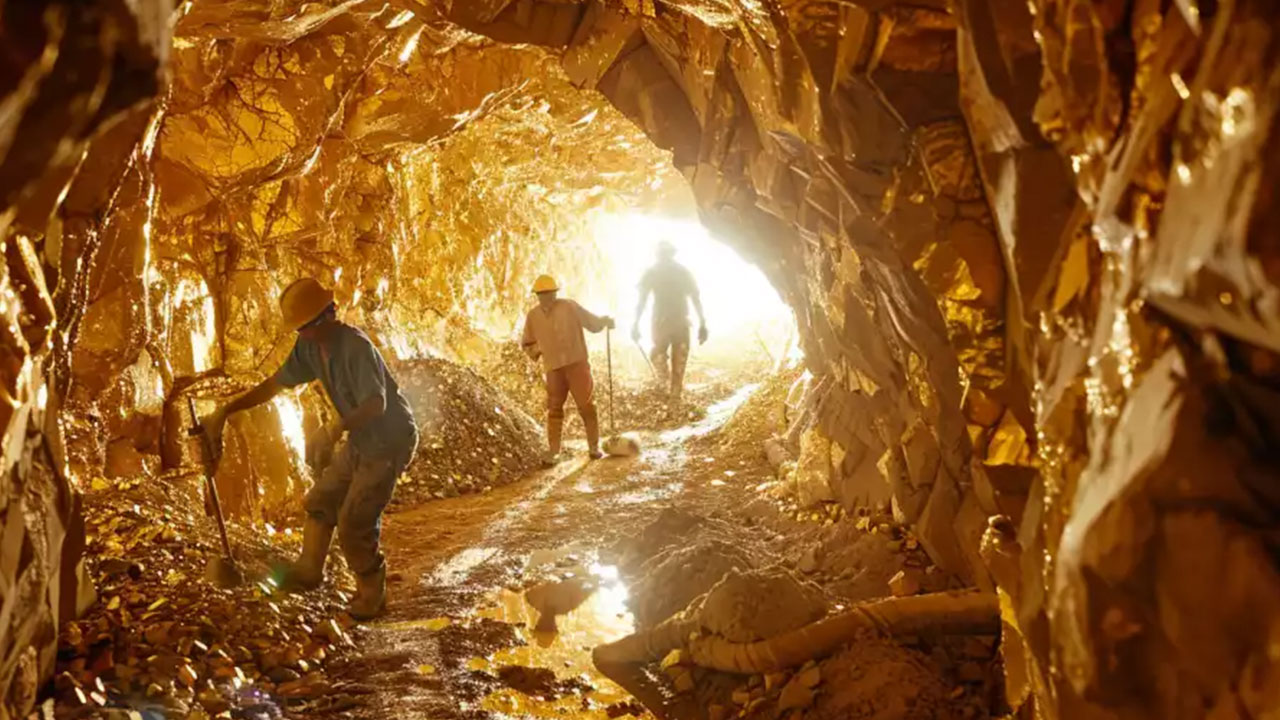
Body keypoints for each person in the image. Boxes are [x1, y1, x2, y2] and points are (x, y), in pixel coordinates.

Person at [201, 278, 418, 621]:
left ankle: (372, 593)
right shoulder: (310, 347)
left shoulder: (354, 347)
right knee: (320, 501)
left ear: (329, 315)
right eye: (300, 329)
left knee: (353, 522)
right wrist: (226, 410)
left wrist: (333, 428)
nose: (304, 334)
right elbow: (275, 383)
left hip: (389, 440)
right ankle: (308, 570)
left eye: (309, 327)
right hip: (361, 440)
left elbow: (376, 403)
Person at [520, 274, 615, 464]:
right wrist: (540, 349)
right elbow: (527, 344)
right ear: (537, 295)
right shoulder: (533, 316)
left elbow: (592, 323)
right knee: (554, 409)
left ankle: (593, 447)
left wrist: (604, 321)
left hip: (576, 363)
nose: (546, 297)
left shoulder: (570, 307)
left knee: (586, 405)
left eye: (549, 293)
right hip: (553, 368)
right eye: (542, 294)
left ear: (555, 293)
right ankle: (554, 452)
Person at [632, 241, 707, 402]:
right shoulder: (682, 272)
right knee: (678, 359)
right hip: (679, 321)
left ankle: (667, 390)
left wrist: (636, 324)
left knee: (660, 355)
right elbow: (695, 298)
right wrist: (702, 324)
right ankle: (673, 394)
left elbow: (642, 301)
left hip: (662, 321)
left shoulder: (652, 272)